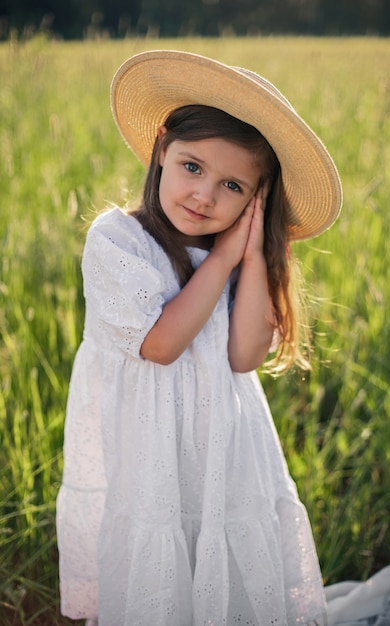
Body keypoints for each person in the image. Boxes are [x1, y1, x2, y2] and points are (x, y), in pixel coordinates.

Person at [56, 50, 342, 626]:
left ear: (255, 200)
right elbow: (160, 345)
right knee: (160, 577)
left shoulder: (235, 255)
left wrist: (255, 253)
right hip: (146, 459)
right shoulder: (118, 240)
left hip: (223, 458)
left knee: (219, 581)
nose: (204, 196)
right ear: (162, 149)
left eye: (232, 185)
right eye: (192, 167)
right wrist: (224, 259)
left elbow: (243, 356)